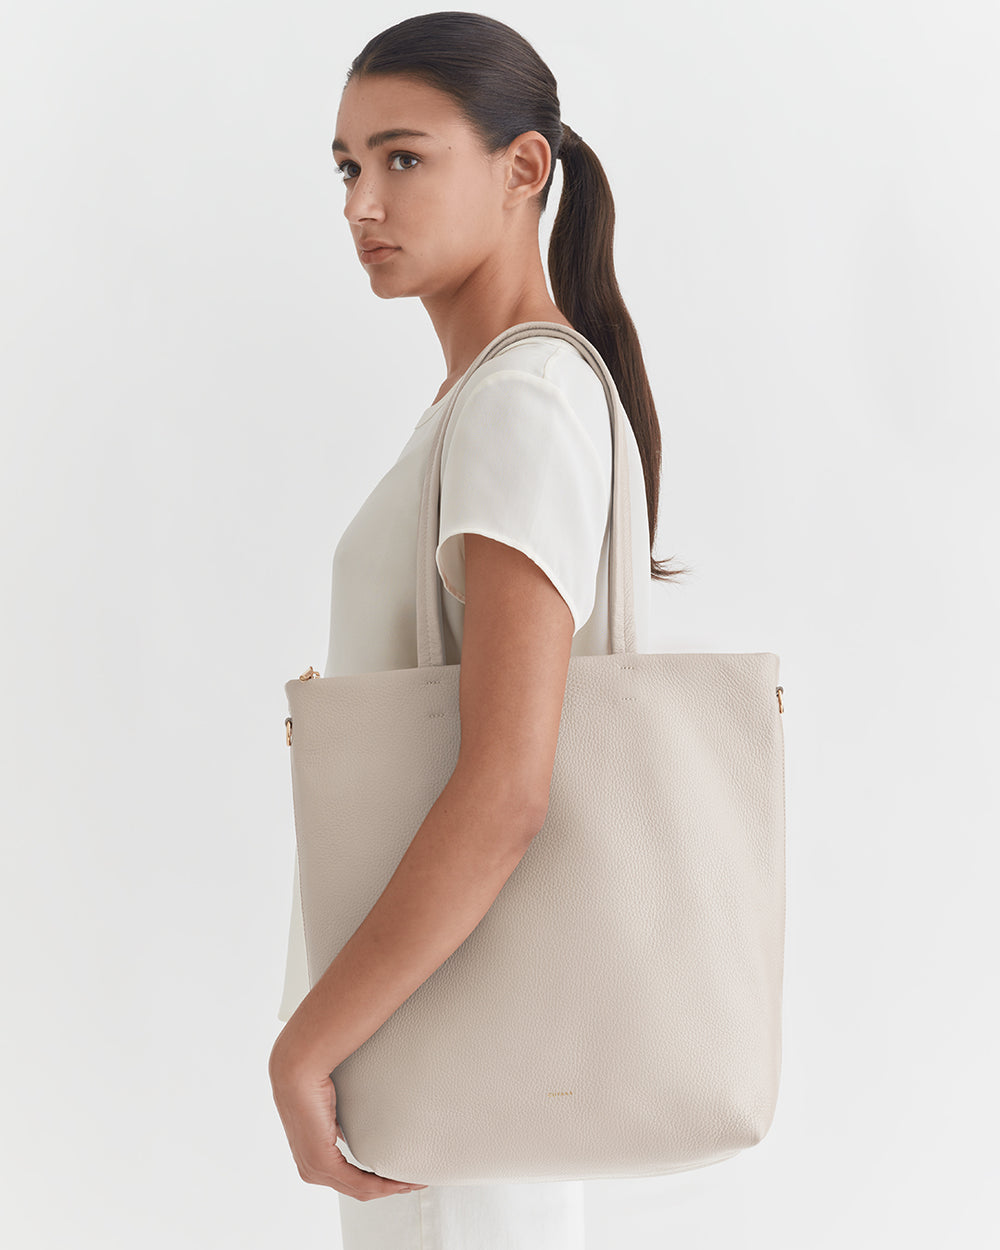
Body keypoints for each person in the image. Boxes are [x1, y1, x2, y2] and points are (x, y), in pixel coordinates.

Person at [268, 11, 684, 1248]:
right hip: (445, 1033)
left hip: (461, 1045)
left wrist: (304, 1044)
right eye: (348, 167)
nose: (362, 204)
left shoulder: (522, 401)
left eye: (403, 158)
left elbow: (507, 787)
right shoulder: (492, 399)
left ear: (523, 168)